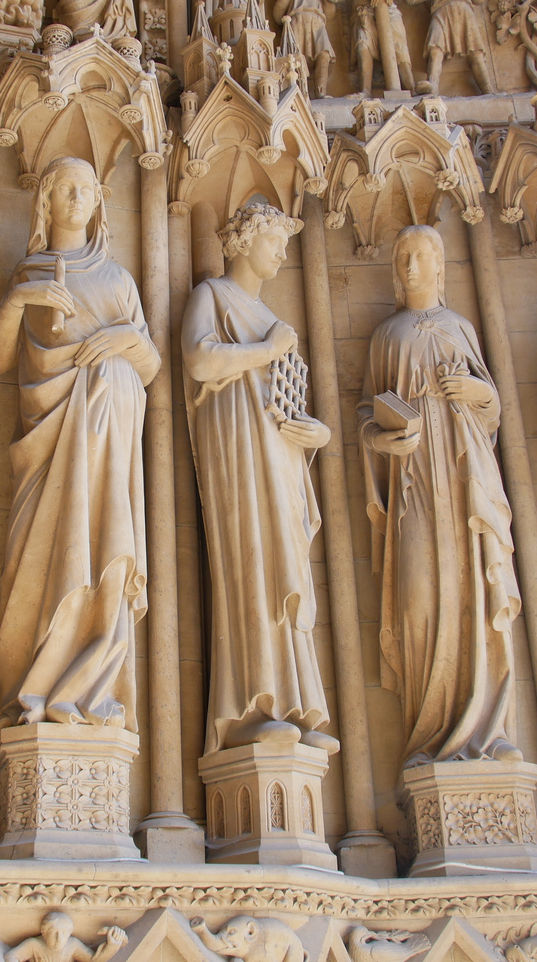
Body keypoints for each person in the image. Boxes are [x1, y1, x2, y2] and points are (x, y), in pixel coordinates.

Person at [0, 156, 157, 736]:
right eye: (66, 189)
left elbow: (150, 365)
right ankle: (36, 686)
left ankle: (89, 690)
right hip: (47, 443)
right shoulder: (30, 273)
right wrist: (17, 304)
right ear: (47, 202)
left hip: (109, 445)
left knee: (105, 548)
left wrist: (126, 339)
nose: (78, 198)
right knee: (42, 561)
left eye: (88, 189)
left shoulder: (118, 280)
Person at [359, 225, 523, 765]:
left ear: (440, 265)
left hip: (464, 480)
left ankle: (487, 731)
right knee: (420, 598)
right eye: (402, 256)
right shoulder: (387, 335)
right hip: (413, 487)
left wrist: (481, 394)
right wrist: (382, 436)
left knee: (475, 592)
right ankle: (429, 734)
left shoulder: (460, 327)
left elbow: (492, 415)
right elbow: (366, 415)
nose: (410, 265)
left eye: (421, 255)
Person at [182, 198, 337, 755]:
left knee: (286, 570)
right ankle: (252, 705)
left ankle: (297, 702)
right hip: (236, 452)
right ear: (244, 240)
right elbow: (200, 362)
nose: (283, 251)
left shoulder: (278, 325)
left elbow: (287, 401)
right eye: (275, 240)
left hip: (279, 458)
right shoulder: (212, 297)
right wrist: (265, 349)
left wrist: (315, 436)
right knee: (251, 566)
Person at [406, 0, 494, 94]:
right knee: (435, 48)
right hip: (440, 12)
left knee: (475, 51)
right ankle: (432, 84)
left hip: (464, 10)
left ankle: (488, 89)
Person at [270, 0, 334, 98]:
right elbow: (278, 13)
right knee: (296, 58)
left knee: (324, 54)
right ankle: (296, 93)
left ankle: (321, 92)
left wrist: (327, 0)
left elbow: (329, 15)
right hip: (298, 23)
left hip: (318, 24)